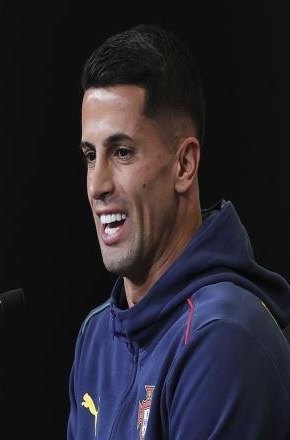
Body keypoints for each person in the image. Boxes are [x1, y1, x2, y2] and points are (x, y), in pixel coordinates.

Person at [67, 24, 290, 439]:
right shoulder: (96, 336)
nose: (97, 185)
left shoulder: (222, 337)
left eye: (122, 152)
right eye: (89, 156)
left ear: (184, 165)